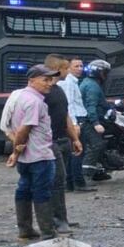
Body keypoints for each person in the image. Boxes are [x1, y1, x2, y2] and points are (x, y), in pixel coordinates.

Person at [7, 65, 60, 240]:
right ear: (31, 80)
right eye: (45, 80)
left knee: (24, 189)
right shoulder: (35, 102)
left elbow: (11, 127)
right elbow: (24, 129)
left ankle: (25, 229)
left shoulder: (20, 97)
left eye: (51, 79)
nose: (49, 83)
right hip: (40, 155)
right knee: (42, 191)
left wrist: (16, 152)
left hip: (26, 157)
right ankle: (47, 232)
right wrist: (16, 149)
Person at [43, 54, 83, 234]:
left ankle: (62, 218)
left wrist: (74, 138)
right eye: (66, 68)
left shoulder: (58, 90)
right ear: (57, 69)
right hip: (48, 142)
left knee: (60, 180)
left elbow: (65, 115)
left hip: (61, 139)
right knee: (54, 182)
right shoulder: (45, 92)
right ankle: (55, 221)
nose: (69, 71)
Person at [60, 58, 94, 192]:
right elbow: (69, 104)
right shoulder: (69, 83)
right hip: (77, 119)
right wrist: (74, 124)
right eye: (76, 66)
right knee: (78, 152)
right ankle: (78, 182)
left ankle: (70, 183)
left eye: (81, 65)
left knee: (74, 152)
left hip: (78, 118)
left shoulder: (73, 82)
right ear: (68, 68)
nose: (80, 68)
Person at [79, 59, 111, 182]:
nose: (106, 75)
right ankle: (86, 176)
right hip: (88, 122)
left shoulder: (90, 83)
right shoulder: (92, 86)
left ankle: (98, 170)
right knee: (96, 145)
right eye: (105, 72)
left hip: (90, 119)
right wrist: (96, 123)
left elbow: (100, 103)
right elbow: (90, 106)